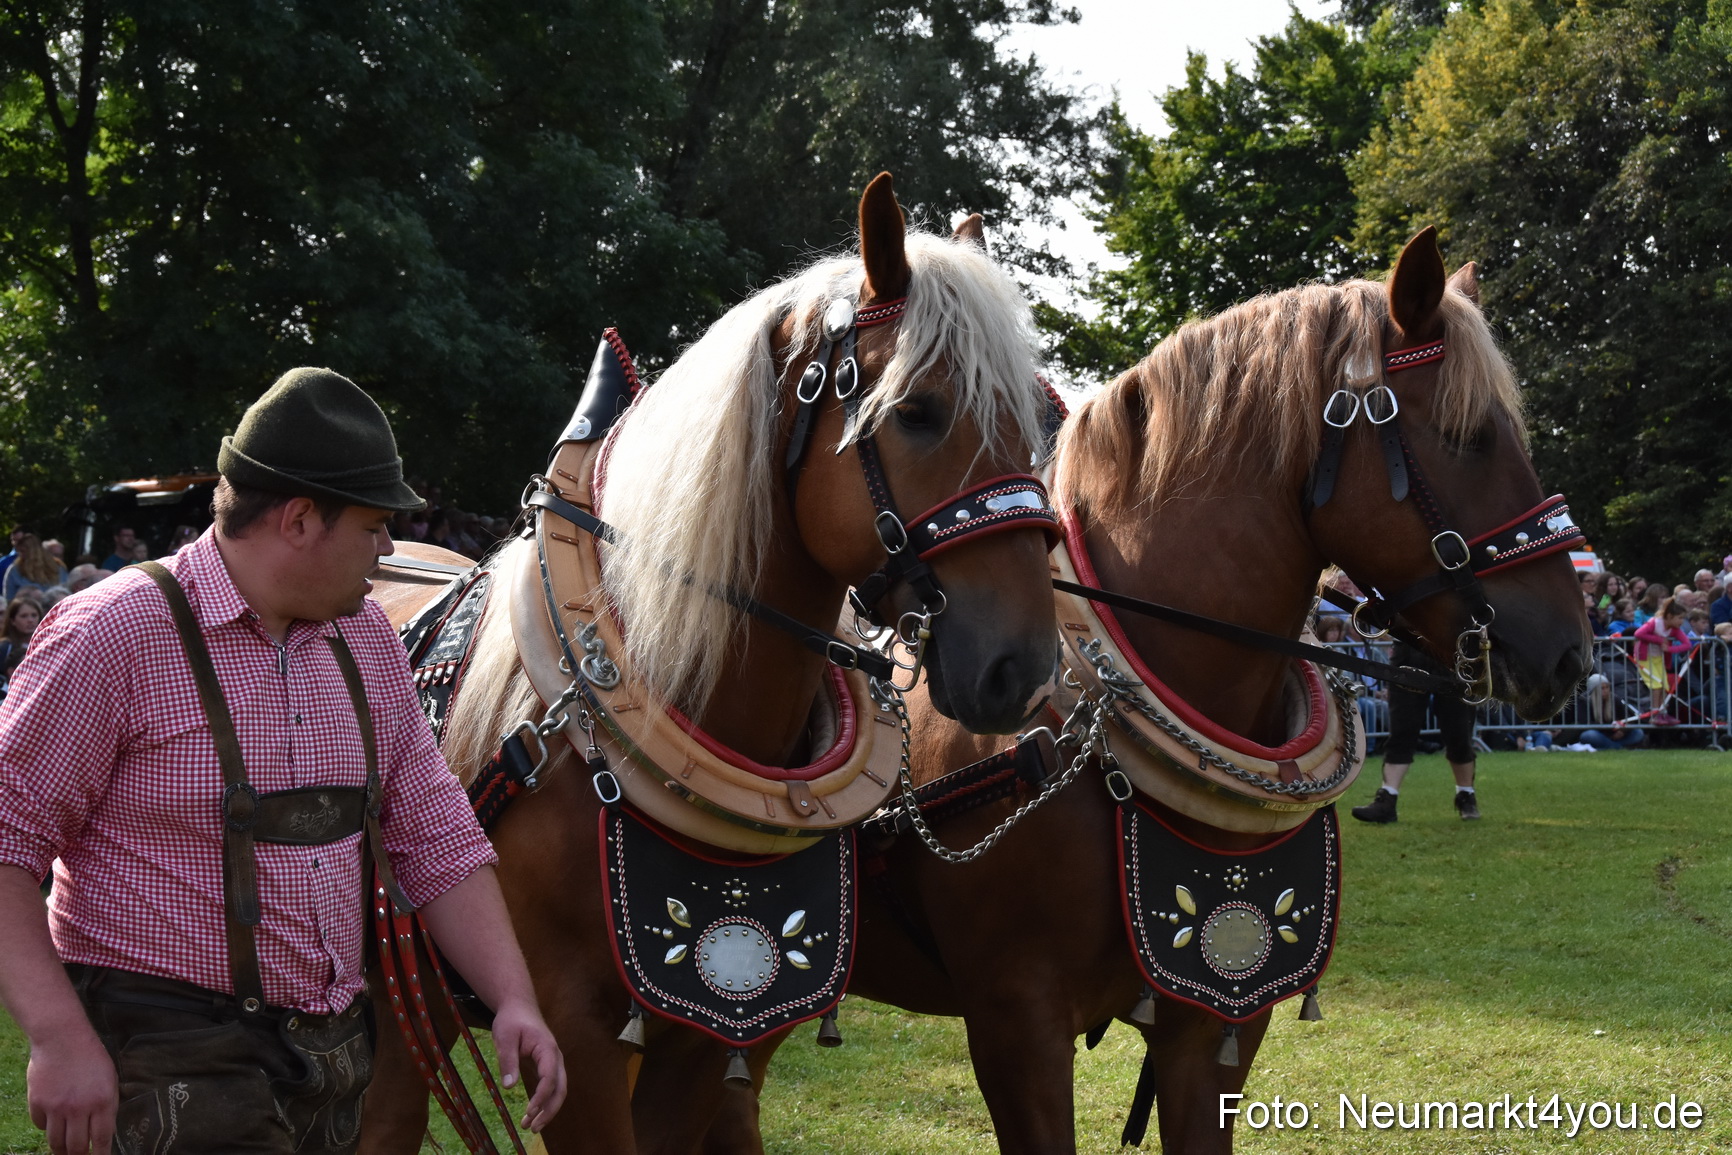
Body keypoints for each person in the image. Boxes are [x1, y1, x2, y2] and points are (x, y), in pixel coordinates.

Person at [0, 367, 567, 1154]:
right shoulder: (114, 633)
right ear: (300, 518)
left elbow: (438, 838)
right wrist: (60, 1035)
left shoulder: (366, 640)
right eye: (373, 524)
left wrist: (513, 998)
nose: (389, 548)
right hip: (164, 1050)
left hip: (328, 1058)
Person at [1350, 640, 1482, 823]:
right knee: (1401, 732)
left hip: (1454, 654)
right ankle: (1387, 799)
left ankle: (1466, 796)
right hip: (1410, 653)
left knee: (1459, 734)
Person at [1633, 597, 1692, 726]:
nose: (1682, 621)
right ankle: (1655, 714)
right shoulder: (1654, 623)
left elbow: (1687, 644)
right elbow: (1639, 633)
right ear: (1670, 616)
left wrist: (1670, 649)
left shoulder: (1674, 629)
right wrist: (1659, 640)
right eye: (1680, 618)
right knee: (1656, 684)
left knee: (1664, 685)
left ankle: (1662, 712)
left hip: (1658, 658)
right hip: (1645, 658)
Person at [2, 533, 69, 602]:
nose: (20, 555)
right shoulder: (14, 570)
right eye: (19, 552)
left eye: (23, 551)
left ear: (34, 551)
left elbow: (65, 592)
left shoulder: (57, 567)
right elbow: (8, 599)